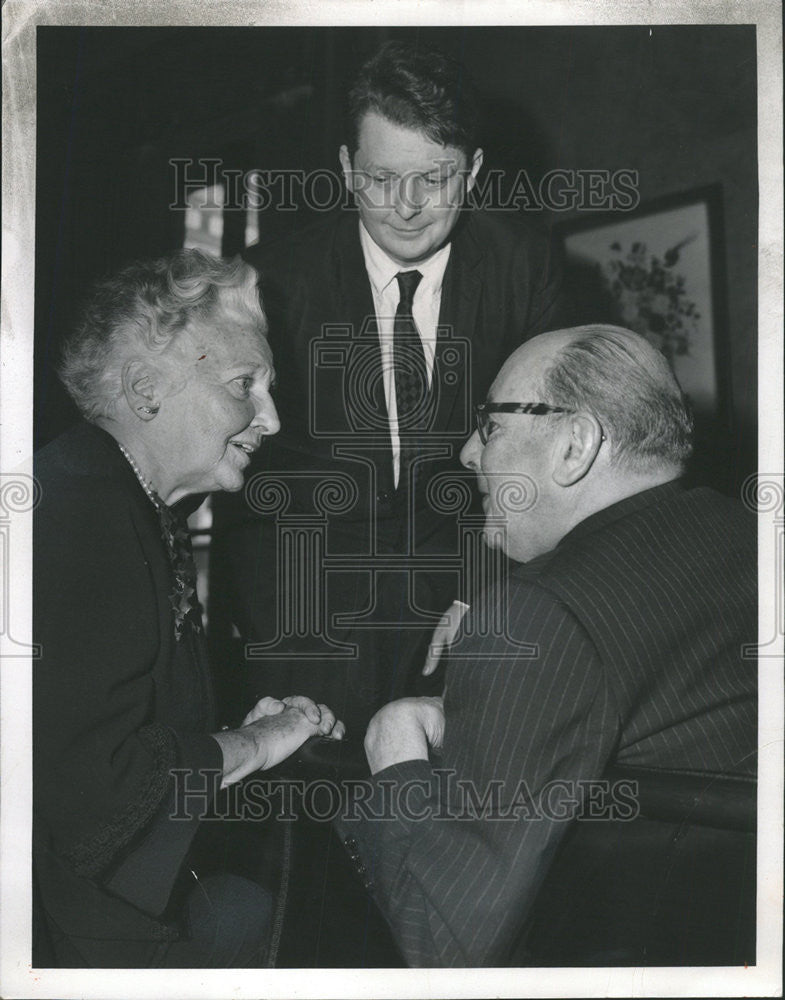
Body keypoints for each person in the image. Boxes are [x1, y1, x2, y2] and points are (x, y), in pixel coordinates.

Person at [335, 324, 757, 967]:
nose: (467, 453)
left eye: (491, 424)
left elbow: (442, 940)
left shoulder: (535, 614)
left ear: (574, 445)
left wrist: (395, 750)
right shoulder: (748, 537)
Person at [215, 40, 565, 737]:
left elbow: (548, 441)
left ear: (473, 173)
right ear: (346, 169)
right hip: (303, 607)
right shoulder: (270, 280)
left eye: (433, 180)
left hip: (463, 597)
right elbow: (245, 474)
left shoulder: (521, 264)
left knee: (450, 814)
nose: (404, 208)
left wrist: (489, 594)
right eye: (379, 178)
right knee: (308, 822)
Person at [33, 250, 344, 968]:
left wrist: (242, 732)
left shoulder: (112, 497)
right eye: (245, 385)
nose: (270, 418)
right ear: (145, 389)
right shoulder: (80, 518)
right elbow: (96, 792)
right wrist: (258, 744)